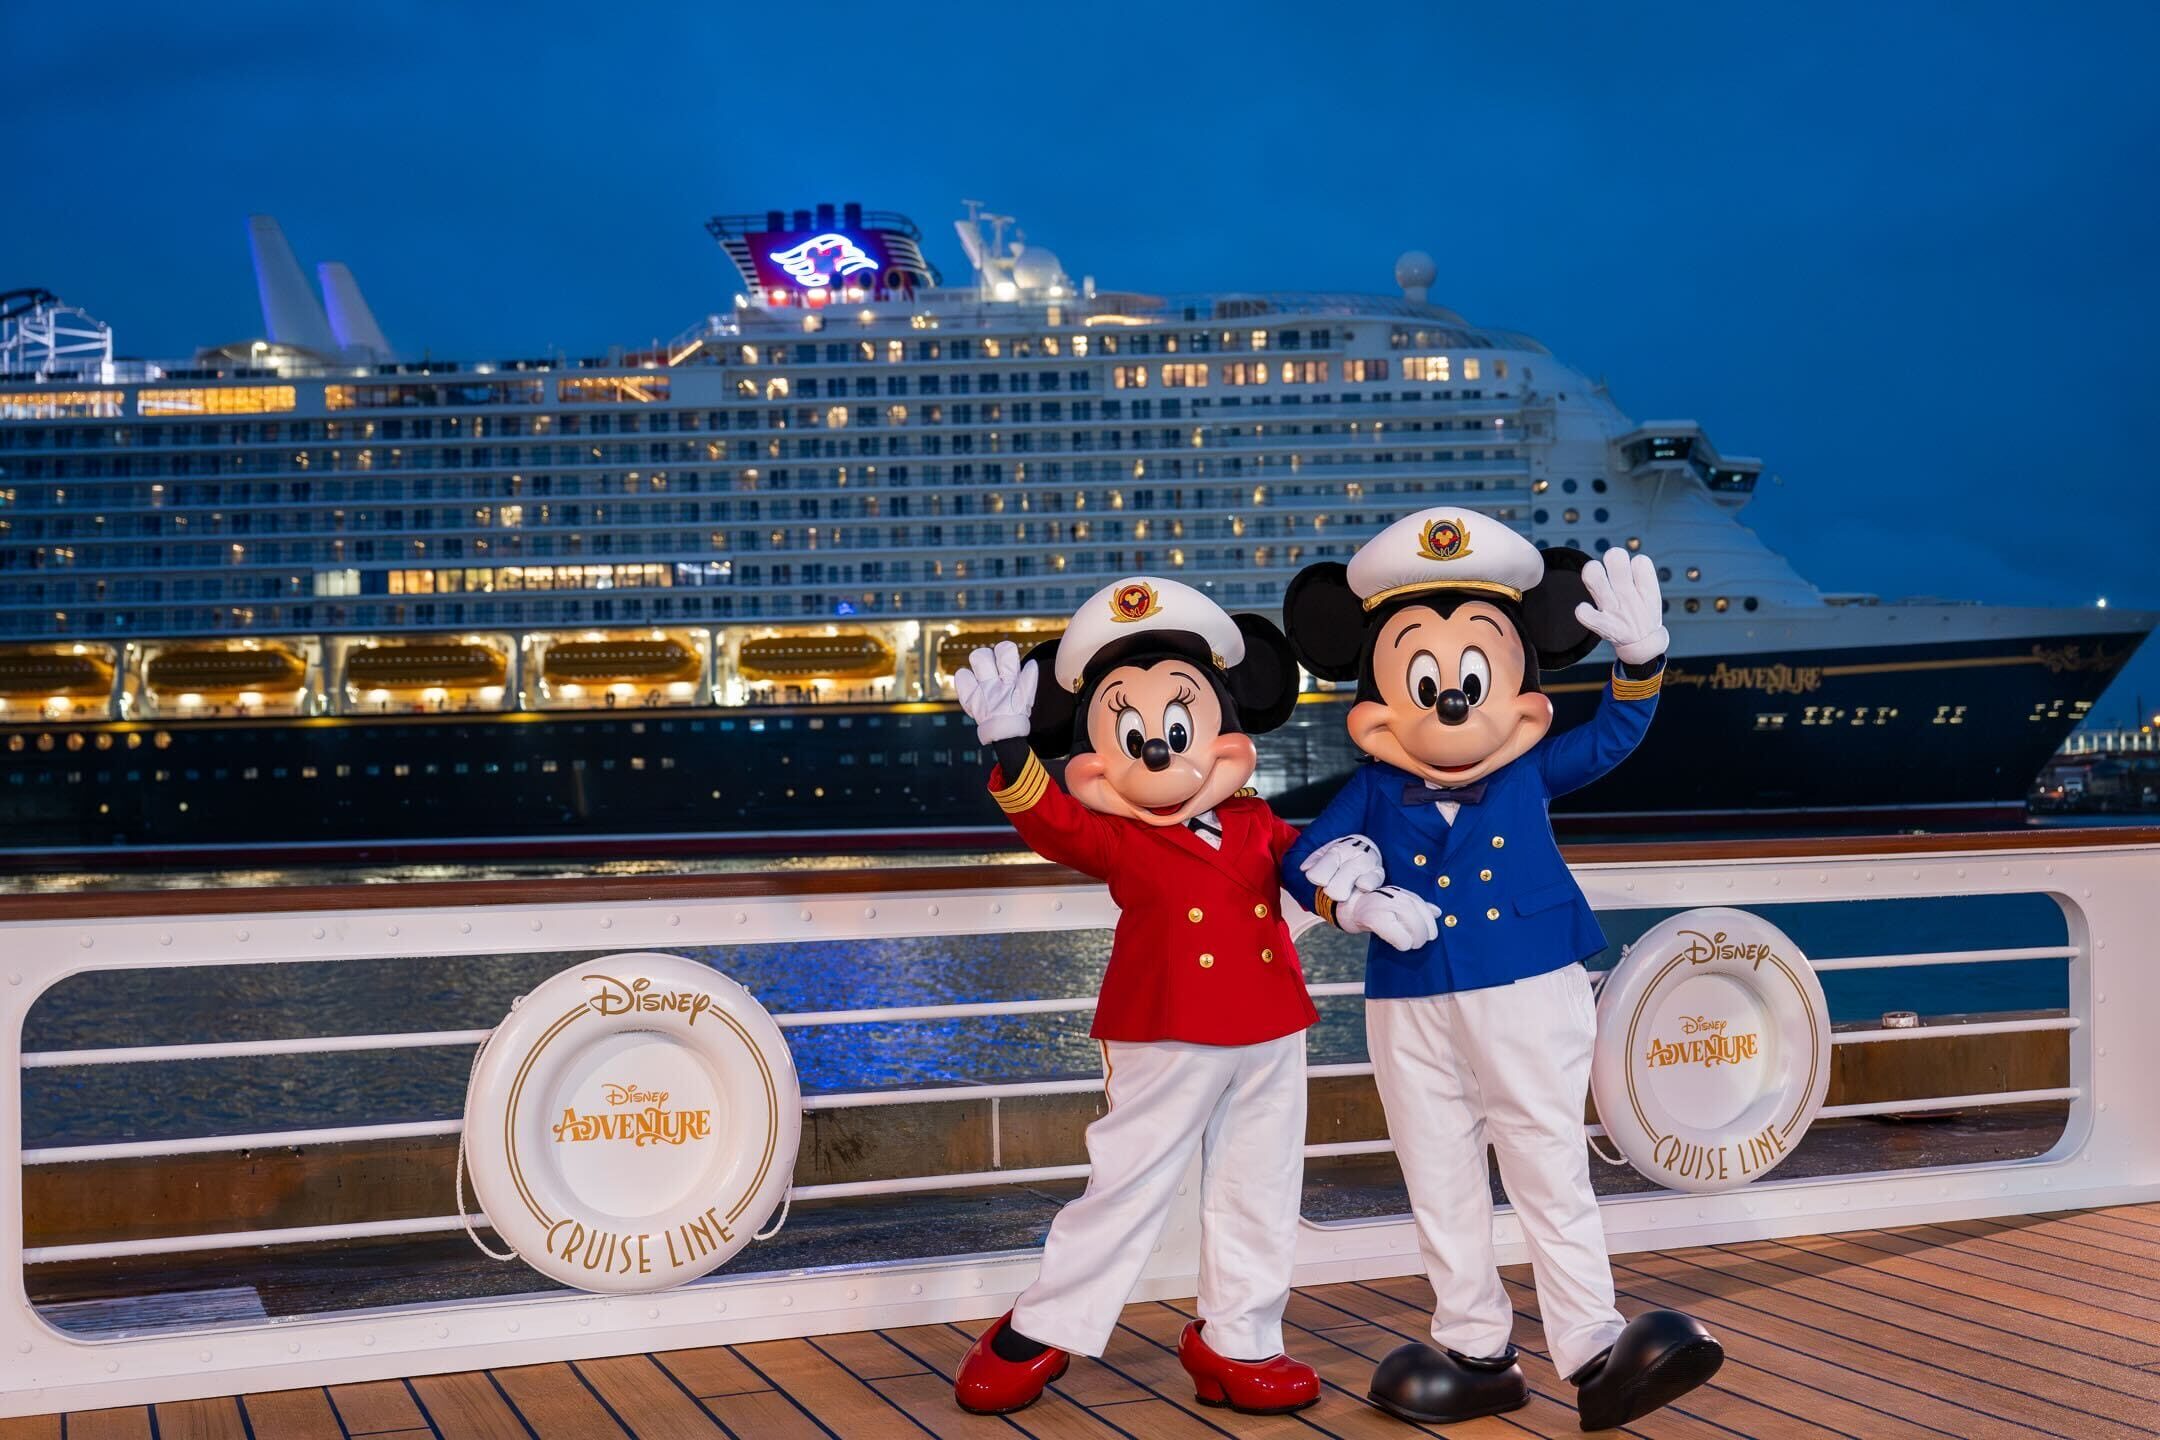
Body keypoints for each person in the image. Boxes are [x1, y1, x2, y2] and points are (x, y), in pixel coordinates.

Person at [1279, 508, 1723, 1431]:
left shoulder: (1526, 772)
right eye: (1424, 678)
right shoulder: (1370, 789)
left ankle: (1592, 1344)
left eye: (1471, 676)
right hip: (1410, 1003)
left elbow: (1612, 740)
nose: (1449, 700)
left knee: (1547, 1165)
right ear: (1377, 695)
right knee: (1436, 1174)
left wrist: (1639, 666)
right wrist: (1348, 902)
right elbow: (1298, 860)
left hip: (1525, 985)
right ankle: (1476, 1346)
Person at [948, 575, 1355, 1417]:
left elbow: (1304, 867)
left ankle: (1239, 1340)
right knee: (1129, 1185)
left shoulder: (1255, 823)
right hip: (1165, 1028)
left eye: (1177, 725)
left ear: (1227, 725)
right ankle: (1040, 1325)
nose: (1162, 750)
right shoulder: (1120, 836)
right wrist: (1010, 748)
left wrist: (1355, 890)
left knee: (1261, 1185)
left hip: (1272, 1022)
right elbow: (1053, 824)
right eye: (1135, 733)